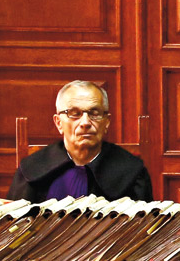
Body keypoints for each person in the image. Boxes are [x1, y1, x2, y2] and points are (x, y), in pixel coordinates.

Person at [10, 81, 152, 202]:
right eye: (74, 113)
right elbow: (16, 223)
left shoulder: (132, 172)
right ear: (58, 123)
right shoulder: (31, 170)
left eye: (94, 113)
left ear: (107, 122)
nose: (85, 122)